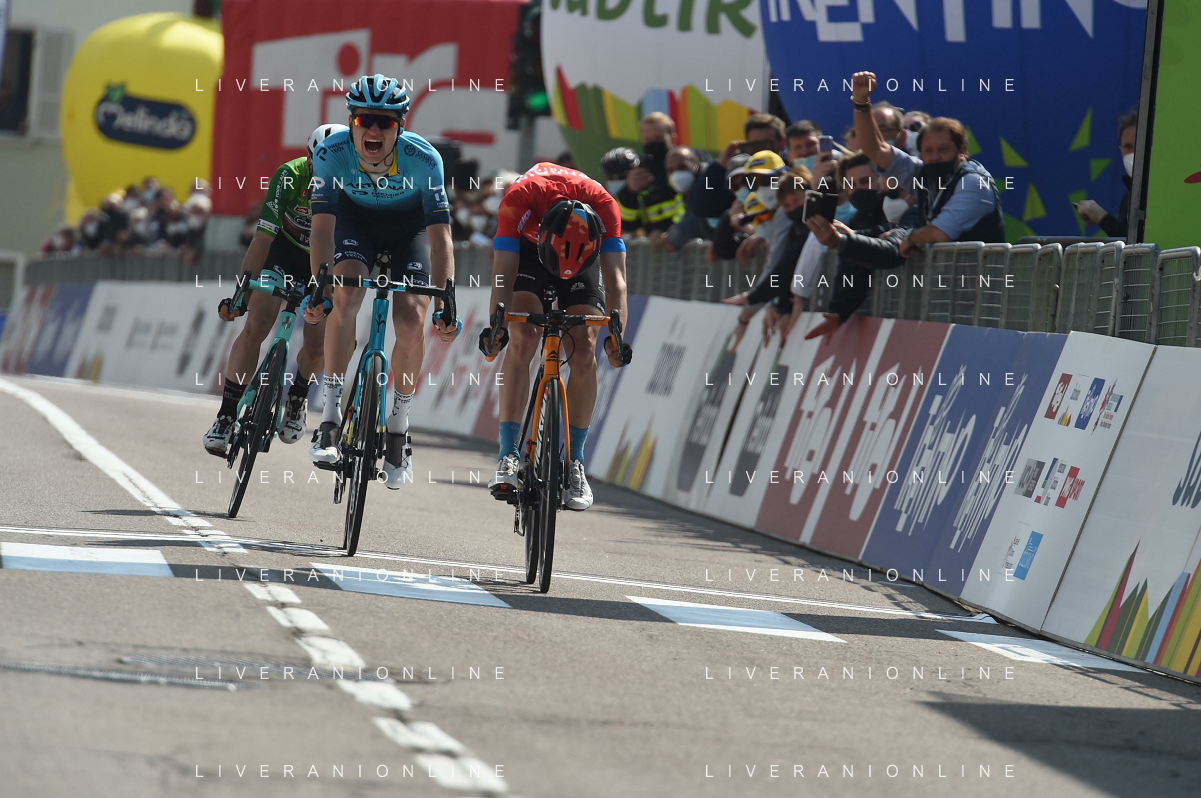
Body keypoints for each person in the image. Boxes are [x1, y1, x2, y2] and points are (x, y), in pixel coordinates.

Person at [303, 74, 459, 490]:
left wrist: (445, 301)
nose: (373, 130)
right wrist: (321, 288)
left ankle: (399, 426)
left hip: (410, 231)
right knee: (346, 294)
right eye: (364, 120)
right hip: (355, 224)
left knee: (410, 322)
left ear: (400, 126)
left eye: (385, 122)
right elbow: (322, 232)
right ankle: (330, 418)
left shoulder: (425, 159)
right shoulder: (332, 153)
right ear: (351, 122)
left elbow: (441, 240)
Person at [479, 162, 632, 511]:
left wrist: (616, 336)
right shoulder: (519, 198)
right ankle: (508, 454)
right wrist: (496, 326)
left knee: (584, 347)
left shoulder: (605, 206)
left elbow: (617, 280)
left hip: (583, 260)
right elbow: (503, 272)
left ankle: (575, 462)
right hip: (530, 254)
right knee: (523, 335)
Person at [804, 71, 1003, 338]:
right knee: (876, 237)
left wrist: (910, 238)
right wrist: (861, 102)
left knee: (893, 239)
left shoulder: (974, 183)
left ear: (961, 152)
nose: (935, 157)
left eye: (943, 150)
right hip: (947, 302)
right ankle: (840, 306)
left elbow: (938, 234)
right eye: (929, 151)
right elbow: (874, 149)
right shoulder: (924, 173)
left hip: (983, 306)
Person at [201, 124, 346, 457]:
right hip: (284, 251)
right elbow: (263, 238)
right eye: (319, 164)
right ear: (308, 159)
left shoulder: (353, 184)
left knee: (318, 340)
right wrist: (241, 294)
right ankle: (226, 416)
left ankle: (297, 396)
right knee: (257, 323)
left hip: (326, 259)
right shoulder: (289, 176)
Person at [693, 113, 787, 219]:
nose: (761, 152)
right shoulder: (741, 180)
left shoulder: (793, 173)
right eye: (754, 146)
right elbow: (702, 207)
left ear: (782, 142)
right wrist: (719, 165)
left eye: (765, 145)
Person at [1076, 111, 1137, 238]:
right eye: (1128, 147)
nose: (1133, 153)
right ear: (1121, 151)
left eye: (1139, 145)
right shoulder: (1128, 196)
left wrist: (1102, 217)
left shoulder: (1162, 192)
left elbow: (1141, 241)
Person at [664, 146, 713, 250]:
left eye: (682, 167)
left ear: (697, 167)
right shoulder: (687, 194)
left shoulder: (708, 183)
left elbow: (698, 222)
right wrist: (672, 230)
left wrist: (673, 238)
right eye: (671, 170)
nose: (676, 174)